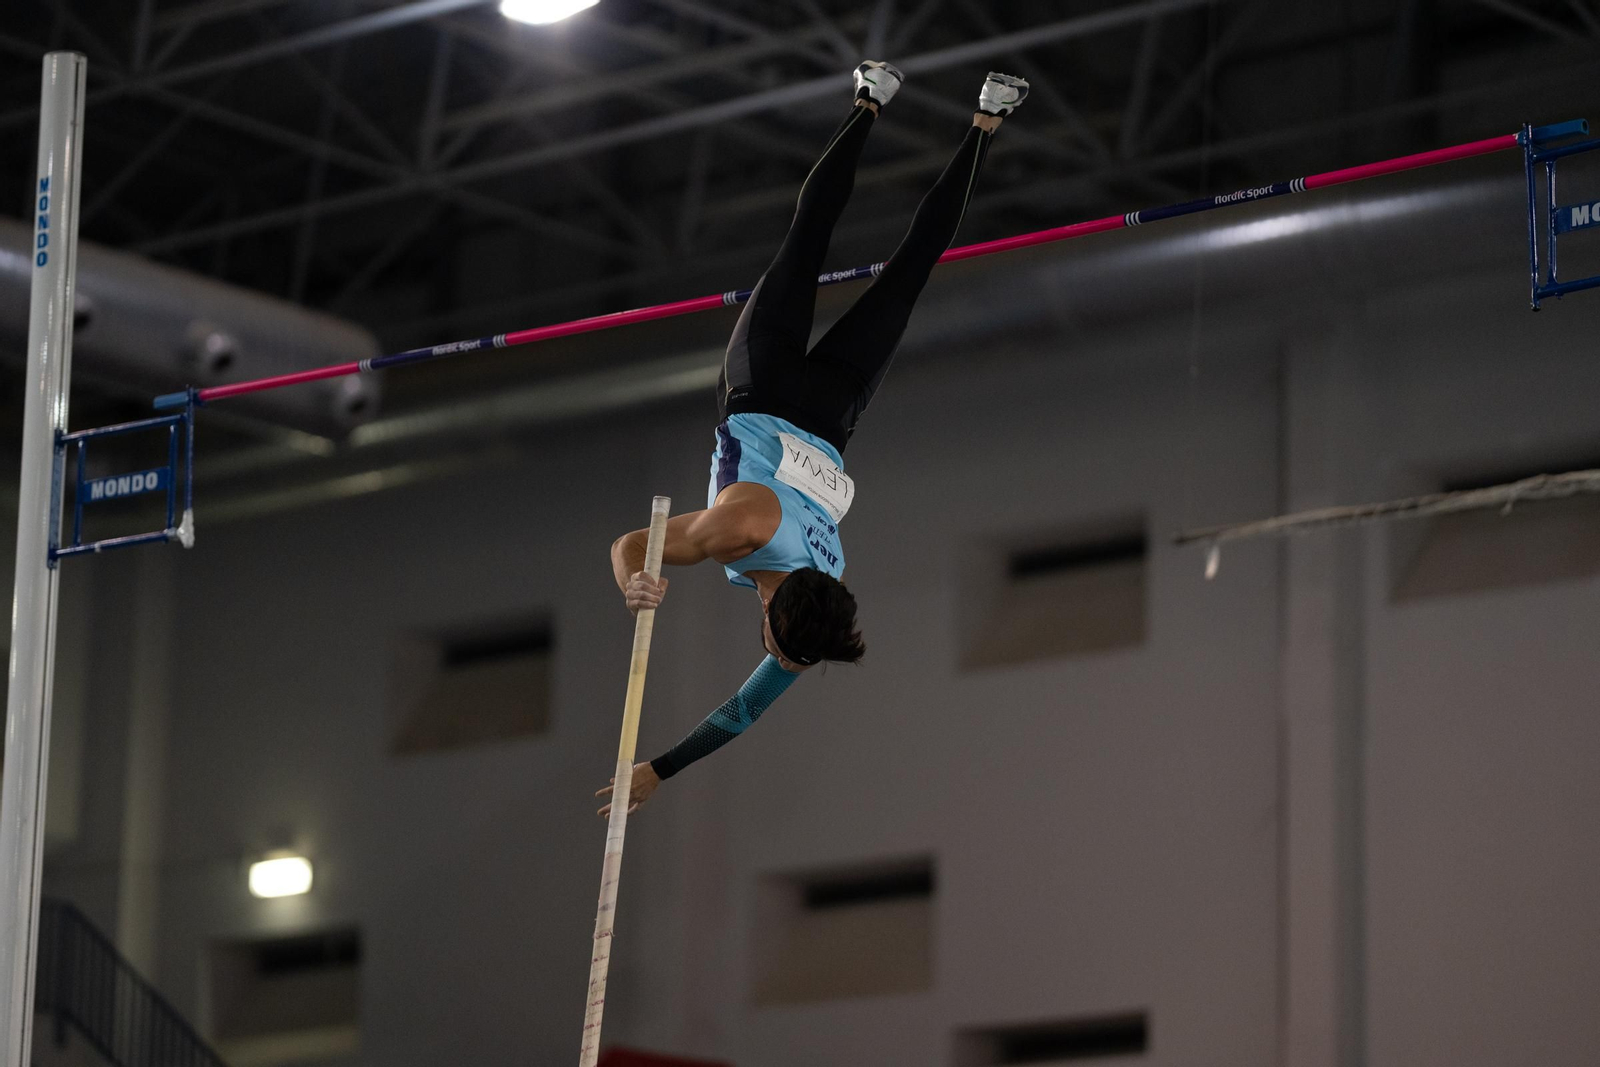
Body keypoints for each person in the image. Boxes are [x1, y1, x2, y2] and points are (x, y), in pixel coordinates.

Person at [598, 63, 1029, 818]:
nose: (777, 664)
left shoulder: (817, 601)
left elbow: (742, 711)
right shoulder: (740, 535)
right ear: (779, 616)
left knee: (908, 275)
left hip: (832, 417)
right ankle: (868, 102)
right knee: (809, 242)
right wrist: (632, 577)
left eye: (786, 659)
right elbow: (634, 542)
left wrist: (659, 771)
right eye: (783, 654)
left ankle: (985, 122)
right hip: (766, 387)